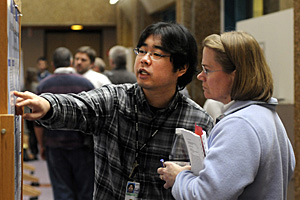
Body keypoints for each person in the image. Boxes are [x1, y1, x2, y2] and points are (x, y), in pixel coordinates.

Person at [14, 22, 214, 200]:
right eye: (142, 51)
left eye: (156, 54)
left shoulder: (197, 121)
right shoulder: (116, 99)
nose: (144, 59)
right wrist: (47, 105)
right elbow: (80, 106)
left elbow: (206, 185)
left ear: (181, 68)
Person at [157, 31, 295, 199]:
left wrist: (179, 178)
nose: (200, 76)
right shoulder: (267, 115)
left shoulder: (240, 125)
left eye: (207, 70)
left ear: (234, 76)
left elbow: (205, 195)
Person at [35, 47, 95, 200]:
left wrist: (42, 145)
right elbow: (95, 117)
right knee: (85, 191)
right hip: (82, 146)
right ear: (70, 62)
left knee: (62, 191)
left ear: (53, 65)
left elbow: (38, 123)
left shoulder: (43, 86)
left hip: (54, 146)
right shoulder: (85, 83)